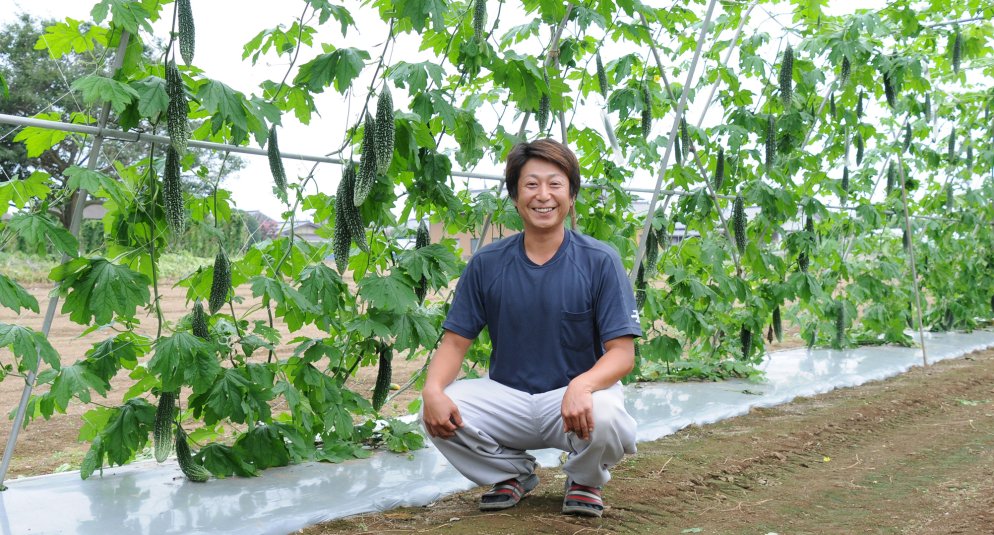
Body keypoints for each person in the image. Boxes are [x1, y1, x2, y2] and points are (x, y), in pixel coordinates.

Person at [420, 139, 641, 518]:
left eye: (555, 184)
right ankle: (512, 474)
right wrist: (431, 390)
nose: (543, 195)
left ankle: (584, 479)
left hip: (572, 404)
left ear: (571, 195)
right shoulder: (486, 263)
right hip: (509, 398)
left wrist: (582, 384)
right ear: (515, 195)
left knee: (607, 415)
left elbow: (622, 353)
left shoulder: (599, 260)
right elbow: (455, 343)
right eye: (531, 184)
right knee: (435, 411)